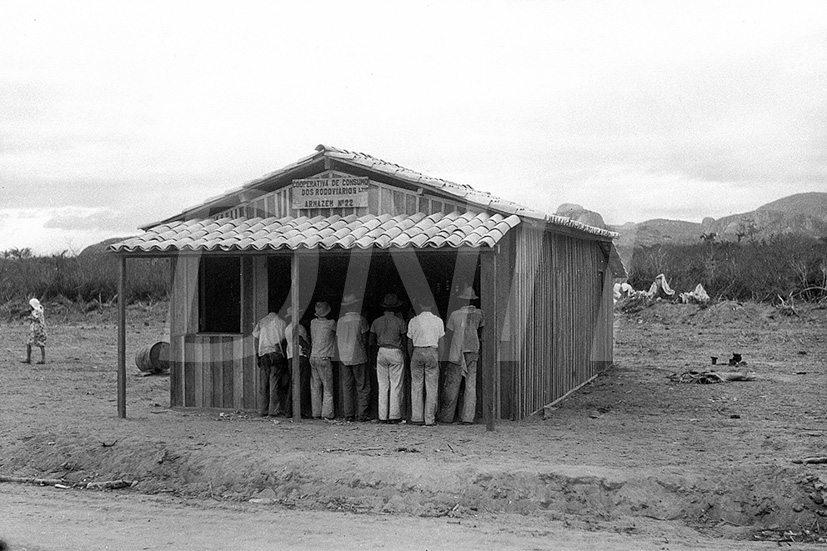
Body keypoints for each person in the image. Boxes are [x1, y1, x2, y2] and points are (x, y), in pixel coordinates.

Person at [439, 285, 485, 425]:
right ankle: (468, 418)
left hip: (457, 351)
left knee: (453, 385)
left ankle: (447, 417)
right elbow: (481, 332)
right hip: (473, 350)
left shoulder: (454, 315)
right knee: (471, 385)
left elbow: (449, 335)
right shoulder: (480, 314)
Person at [406, 295, 444, 426]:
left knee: (416, 385)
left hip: (417, 351)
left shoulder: (413, 321)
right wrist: (440, 358)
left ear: (420, 306)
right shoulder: (438, 321)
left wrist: (411, 355)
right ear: (432, 305)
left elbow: (409, 342)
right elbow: (442, 342)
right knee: (432, 386)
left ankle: (417, 417)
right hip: (432, 351)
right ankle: (430, 419)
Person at [370, 293, 407, 424]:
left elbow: (371, 341)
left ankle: (382, 416)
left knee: (383, 384)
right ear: (396, 308)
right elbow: (403, 340)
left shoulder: (376, 321)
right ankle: (394, 415)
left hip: (382, 351)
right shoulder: (400, 322)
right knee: (396, 384)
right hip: (395, 351)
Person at [336, 294, 371, 422]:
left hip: (344, 356)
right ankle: (362, 413)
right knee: (362, 385)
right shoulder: (361, 320)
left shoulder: (340, 321)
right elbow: (364, 339)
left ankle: (348, 414)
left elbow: (338, 338)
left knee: (347, 385)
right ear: (355, 305)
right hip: (358, 354)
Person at [252, 308, 287, 417]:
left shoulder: (262, 322)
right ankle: (273, 410)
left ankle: (262, 410)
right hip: (276, 353)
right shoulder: (281, 322)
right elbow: (283, 340)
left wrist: (257, 354)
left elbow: (255, 338)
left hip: (264, 353)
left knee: (263, 384)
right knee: (274, 383)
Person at [309, 301, 336, 420]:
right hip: (324, 357)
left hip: (313, 356)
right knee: (327, 386)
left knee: (315, 386)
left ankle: (316, 412)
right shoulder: (331, 323)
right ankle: (327, 413)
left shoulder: (313, 322)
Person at [284, 306, 312, 419]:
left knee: (293, 383)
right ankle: (300, 411)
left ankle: (289, 410)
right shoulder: (298, 327)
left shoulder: (287, 328)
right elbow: (299, 339)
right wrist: (309, 347)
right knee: (301, 385)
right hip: (300, 356)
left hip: (290, 356)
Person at [23, 298, 47, 364]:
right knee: (41, 344)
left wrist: (27, 317)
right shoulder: (40, 310)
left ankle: (29, 358)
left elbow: (35, 318)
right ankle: (43, 359)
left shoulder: (36, 312)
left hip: (36, 331)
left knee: (29, 343)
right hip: (39, 330)